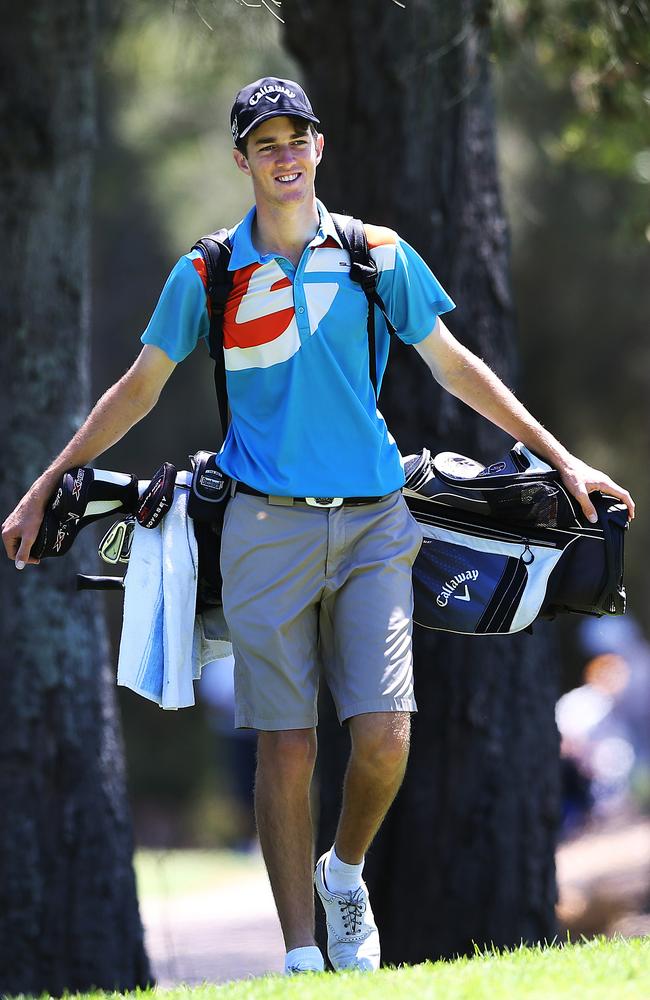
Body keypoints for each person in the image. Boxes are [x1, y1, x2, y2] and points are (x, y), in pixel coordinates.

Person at [2, 76, 635, 975]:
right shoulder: (210, 271)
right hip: (261, 527)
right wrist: (43, 486)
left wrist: (561, 460)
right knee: (287, 745)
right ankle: (302, 959)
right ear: (242, 160)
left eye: (297, 138)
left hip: (378, 523)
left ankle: (345, 871)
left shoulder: (376, 254)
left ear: (320, 147)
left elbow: (455, 366)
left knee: (384, 737)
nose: (285, 155)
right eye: (266, 144)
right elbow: (138, 390)